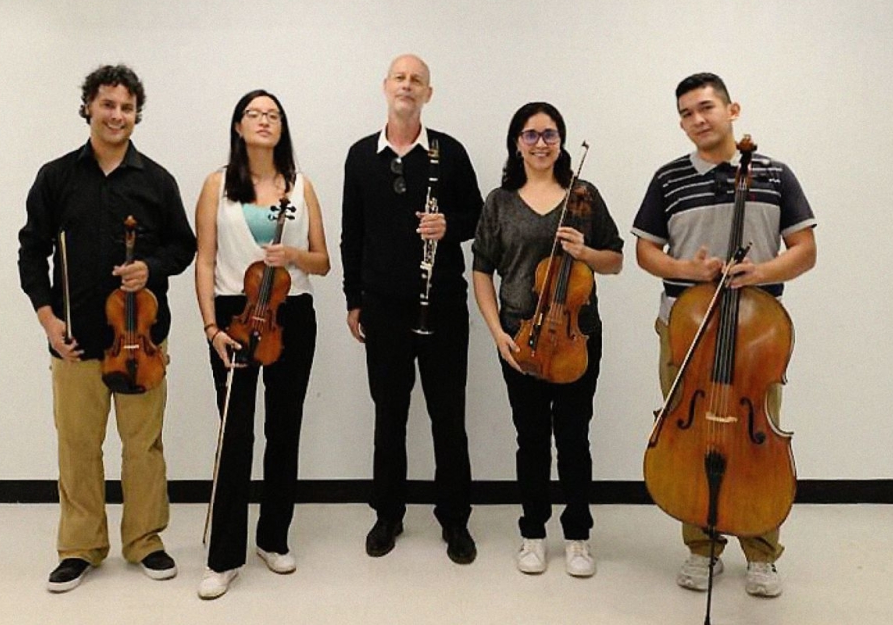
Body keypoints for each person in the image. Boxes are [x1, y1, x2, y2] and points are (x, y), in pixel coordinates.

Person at [633, 72, 817, 598]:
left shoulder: (776, 174)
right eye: (687, 113)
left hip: (758, 336)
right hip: (684, 326)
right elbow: (647, 253)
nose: (698, 120)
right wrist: (689, 270)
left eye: (706, 107)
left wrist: (759, 272)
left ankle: (762, 552)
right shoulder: (669, 178)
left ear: (732, 110)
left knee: (757, 438)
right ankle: (701, 546)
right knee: (689, 436)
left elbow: (804, 250)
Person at [18, 64, 196, 593]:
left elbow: (182, 246)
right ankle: (81, 546)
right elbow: (32, 250)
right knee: (77, 445)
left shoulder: (157, 180)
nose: (117, 115)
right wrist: (48, 319)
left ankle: (145, 540)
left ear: (136, 114)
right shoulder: (56, 177)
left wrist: (152, 269)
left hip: (142, 340)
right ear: (89, 108)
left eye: (127, 107)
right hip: (74, 339)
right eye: (108, 105)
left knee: (144, 446)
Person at [340, 54, 483, 564]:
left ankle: (455, 520)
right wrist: (353, 299)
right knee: (390, 415)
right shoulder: (360, 156)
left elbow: (478, 217)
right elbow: (350, 233)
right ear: (385, 87)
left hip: (441, 305)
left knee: (449, 416)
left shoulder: (450, 152)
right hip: (382, 307)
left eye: (416, 80)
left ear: (428, 93)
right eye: (399, 78)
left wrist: (449, 225)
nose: (407, 85)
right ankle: (388, 514)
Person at [471, 102, 623, 578]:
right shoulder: (499, 201)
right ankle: (533, 533)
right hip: (521, 338)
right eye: (531, 135)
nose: (541, 143)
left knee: (575, 438)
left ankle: (578, 535)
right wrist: (498, 334)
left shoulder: (584, 195)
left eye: (550, 134)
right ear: (517, 142)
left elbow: (615, 260)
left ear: (561, 141)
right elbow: (481, 271)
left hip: (578, 336)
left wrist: (586, 252)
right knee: (531, 439)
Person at [192, 89, 330, 600]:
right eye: (254, 114)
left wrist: (292, 252)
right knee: (235, 437)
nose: (264, 121)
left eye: (273, 115)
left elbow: (322, 261)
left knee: (284, 429)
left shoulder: (301, 184)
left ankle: (273, 538)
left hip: (292, 312)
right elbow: (204, 261)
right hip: (234, 313)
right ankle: (223, 557)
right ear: (238, 126)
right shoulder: (216, 184)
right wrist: (211, 328)